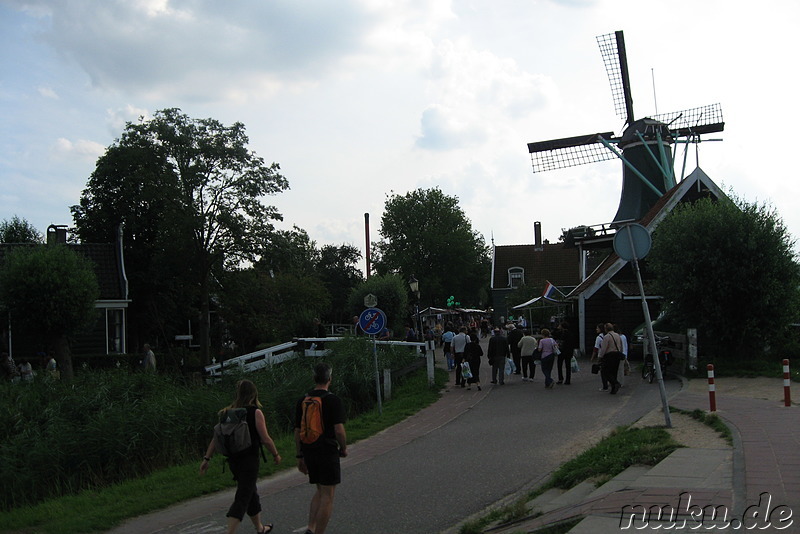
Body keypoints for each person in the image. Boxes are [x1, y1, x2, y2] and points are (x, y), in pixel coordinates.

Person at [200, 379, 282, 534]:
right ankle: (230, 531)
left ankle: (260, 528)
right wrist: (276, 454)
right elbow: (265, 438)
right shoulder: (255, 412)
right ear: (254, 393)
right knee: (243, 496)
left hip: (233, 461)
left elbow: (215, 438)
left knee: (250, 491)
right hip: (250, 460)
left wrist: (206, 458)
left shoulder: (228, 413)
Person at [295, 363, 347, 534]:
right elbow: (339, 430)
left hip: (309, 450)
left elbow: (297, 431)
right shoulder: (333, 400)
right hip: (327, 450)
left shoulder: (303, 400)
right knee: (328, 495)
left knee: (320, 489)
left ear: (314, 378)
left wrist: (299, 455)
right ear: (329, 379)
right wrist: (343, 447)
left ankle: (311, 527)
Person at [598, 323, 624, 394]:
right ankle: (613, 389)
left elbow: (603, 348)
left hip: (609, 355)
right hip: (617, 355)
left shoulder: (607, 337)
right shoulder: (618, 336)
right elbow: (621, 346)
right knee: (614, 372)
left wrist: (600, 357)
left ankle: (615, 383)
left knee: (605, 371)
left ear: (606, 329)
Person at [589, 324, 607, 391]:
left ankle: (605, 386)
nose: (596, 329)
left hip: (601, 355)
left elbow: (596, 348)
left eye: (597, 328)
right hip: (608, 354)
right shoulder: (607, 336)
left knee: (602, 371)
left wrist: (592, 357)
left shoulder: (599, 338)